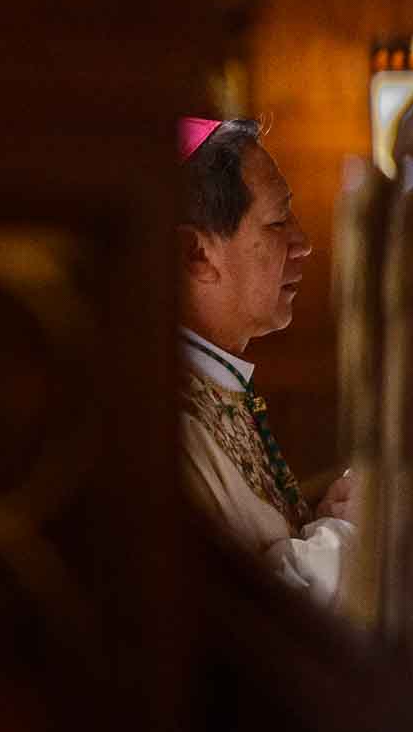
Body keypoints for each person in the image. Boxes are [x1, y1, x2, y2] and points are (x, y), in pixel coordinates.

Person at [176, 116, 357, 610]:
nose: (304, 242)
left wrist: (324, 517)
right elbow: (240, 614)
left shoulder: (219, 381)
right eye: (279, 222)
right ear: (197, 253)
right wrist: (353, 529)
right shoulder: (163, 422)